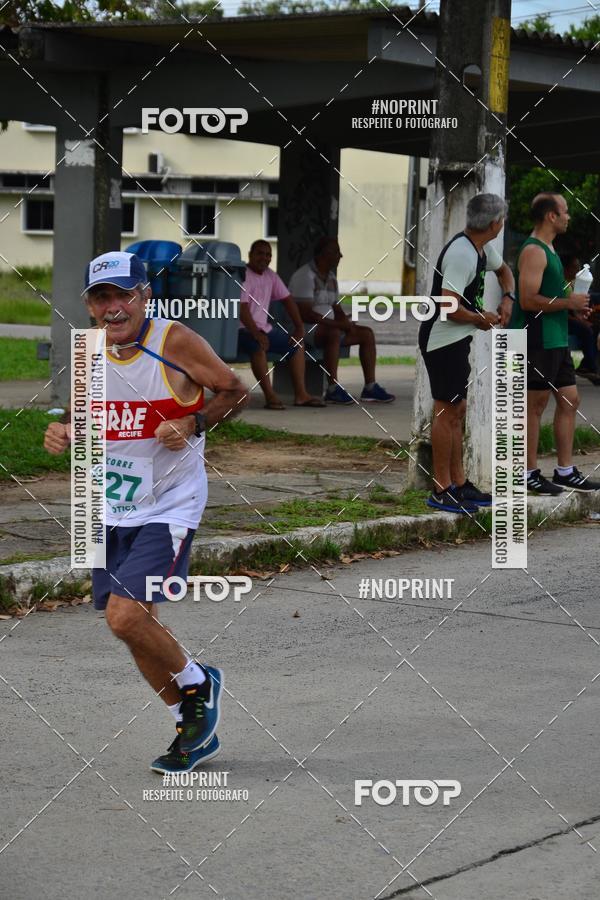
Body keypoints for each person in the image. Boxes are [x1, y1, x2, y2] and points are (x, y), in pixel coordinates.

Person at [44, 251, 248, 773]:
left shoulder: (173, 342)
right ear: (90, 306)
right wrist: (65, 430)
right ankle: (191, 727)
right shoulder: (88, 349)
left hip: (169, 504)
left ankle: (200, 683)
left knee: (124, 615)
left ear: (144, 296)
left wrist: (194, 424)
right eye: (101, 298)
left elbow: (234, 390)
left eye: (123, 295)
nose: (113, 308)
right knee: (140, 629)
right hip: (107, 505)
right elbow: (83, 410)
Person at [418, 193, 515, 514]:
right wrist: (479, 317)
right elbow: (448, 305)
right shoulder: (461, 253)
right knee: (446, 412)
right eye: (502, 219)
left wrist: (507, 299)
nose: (502, 224)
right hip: (441, 340)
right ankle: (441, 488)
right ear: (494, 223)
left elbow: (505, 272)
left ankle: (459, 483)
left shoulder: (482, 248)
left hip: (458, 339)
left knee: (458, 410)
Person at [510, 192, 600, 494]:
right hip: (537, 338)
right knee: (534, 406)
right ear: (551, 216)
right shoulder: (534, 251)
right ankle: (527, 472)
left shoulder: (549, 248)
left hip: (556, 337)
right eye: (564, 211)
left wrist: (572, 305)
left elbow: (551, 296)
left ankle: (564, 470)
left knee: (570, 399)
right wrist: (566, 302)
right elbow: (527, 299)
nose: (568, 216)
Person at [289, 237, 395, 404]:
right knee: (334, 333)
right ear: (324, 254)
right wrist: (339, 325)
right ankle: (332, 389)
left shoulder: (331, 278)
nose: (340, 256)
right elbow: (306, 314)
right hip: (307, 330)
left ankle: (370, 388)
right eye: (337, 252)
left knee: (366, 334)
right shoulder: (305, 276)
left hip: (329, 328)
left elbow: (335, 307)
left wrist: (346, 323)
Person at [237, 239, 325, 409]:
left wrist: (299, 327)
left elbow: (288, 300)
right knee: (258, 347)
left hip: (264, 330)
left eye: (268, 254)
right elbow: (242, 308)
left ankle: (301, 395)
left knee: (297, 344)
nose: (264, 258)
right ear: (250, 255)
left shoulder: (270, 275)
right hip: (242, 330)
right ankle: (270, 397)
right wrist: (256, 333)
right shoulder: (243, 275)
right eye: (260, 253)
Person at [559, 250, 600, 384]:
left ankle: (590, 365)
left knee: (593, 327)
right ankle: (590, 367)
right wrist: (580, 321)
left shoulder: (571, 284)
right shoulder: (561, 284)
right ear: (566, 269)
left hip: (569, 316)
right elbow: (562, 311)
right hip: (561, 319)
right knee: (587, 330)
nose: (578, 271)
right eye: (575, 268)